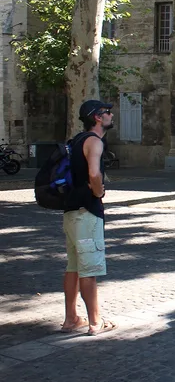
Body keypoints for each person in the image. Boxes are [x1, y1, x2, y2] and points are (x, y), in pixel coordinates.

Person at [61, 100, 117, 336]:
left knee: (73, 267)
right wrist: (98, 192)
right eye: (107, 112)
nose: (111, 115)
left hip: (71, 211)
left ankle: (71, 318)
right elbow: (94, 173)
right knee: (88, 269)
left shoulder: (76, 140)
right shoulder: (94, 142)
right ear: (97, 117)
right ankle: (95, 322)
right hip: (87, 212)